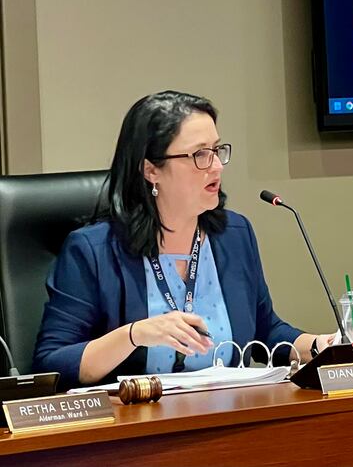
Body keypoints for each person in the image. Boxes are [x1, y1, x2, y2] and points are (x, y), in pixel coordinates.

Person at [33, 91, 333, 388]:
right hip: (137, 427)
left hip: (227, 418)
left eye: (217, 150)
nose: (216, 165)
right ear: (151, 170)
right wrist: (134, 334)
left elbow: (266, 332)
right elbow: (53, 364)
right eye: (200, 155)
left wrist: (324, 345)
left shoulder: (233, 235)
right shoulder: (93, 251)